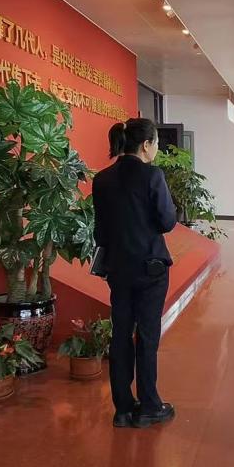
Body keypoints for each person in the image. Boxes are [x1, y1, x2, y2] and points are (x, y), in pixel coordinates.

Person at [91, 118, 177, 429]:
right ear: (146, 145)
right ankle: (150, 406)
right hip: (150, 268)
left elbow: (100, 232)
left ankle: (123, 409)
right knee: (148, 336)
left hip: (118, 269)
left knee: (121, 335)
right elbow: (167, 221)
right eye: (156, 144)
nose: (156, 149)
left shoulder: (102, 179)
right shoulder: (152, 175)